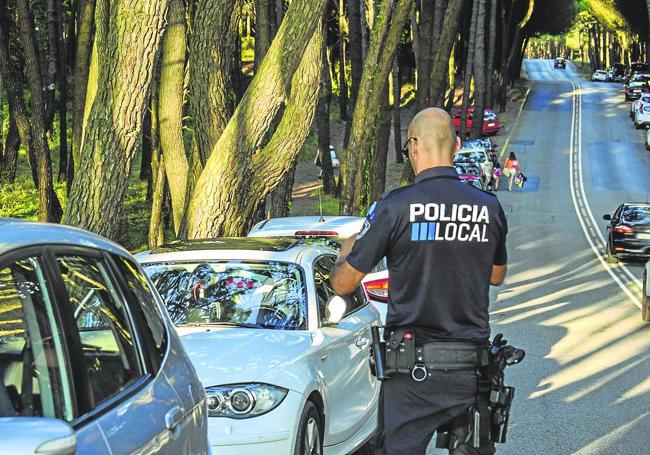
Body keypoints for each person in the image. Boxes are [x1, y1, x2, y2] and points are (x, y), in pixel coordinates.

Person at [329, 107, 508, 454]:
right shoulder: (488, 206)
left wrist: (343, 252)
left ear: (412, 146)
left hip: (412, 373)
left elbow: (343, 284)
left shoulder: (395, 207)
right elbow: (497, 276)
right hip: (469, 369)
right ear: (456, 146)